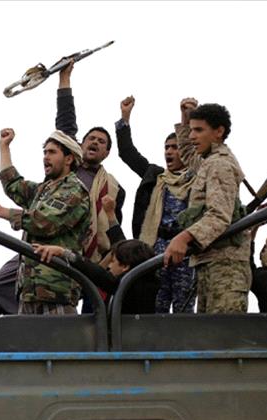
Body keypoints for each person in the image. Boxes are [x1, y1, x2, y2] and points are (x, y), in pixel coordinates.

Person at [0, 128, 90, 315]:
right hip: (29, 289)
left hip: (55, 292)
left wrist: (1, 211)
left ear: (69, 159)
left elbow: (45, 222)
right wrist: (4, 146)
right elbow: (13, 185)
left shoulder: (74, 190)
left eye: (52, 152)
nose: (46, 157)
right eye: (44, 152)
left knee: (59, 335)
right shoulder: (44, 190)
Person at [163, 98, 251, 314]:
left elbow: (219, 216)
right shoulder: (208, 161)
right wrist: (185, 118)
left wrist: (183, 238)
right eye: (191, 130)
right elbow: (188, 152)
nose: (192, 136)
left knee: (223, 332)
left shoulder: (219, 164)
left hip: (225, 268)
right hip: (210, 263)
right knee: (208, 331)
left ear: (218, 131)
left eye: (199, 130)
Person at [117, 95, 196, 313]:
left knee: (183, 309)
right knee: (154, 307)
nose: (169, 151)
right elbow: (127, 153)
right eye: (167, 147)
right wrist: (125, 118)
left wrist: (187, 117)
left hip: (186, 250)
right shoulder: (156, 176)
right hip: (156, 250)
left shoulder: (198, 178)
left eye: (175, 147)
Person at [56, 61, 125, 262]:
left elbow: (113, 228)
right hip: (47, 239)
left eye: (101, 142)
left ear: (107, 153)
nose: (95, 142)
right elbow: (65, 123)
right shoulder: (66, 165)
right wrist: (65, 79)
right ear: (80, 144)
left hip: (83, 256)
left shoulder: (114, 188)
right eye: (91, 138)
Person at [33, 232, 159, 314]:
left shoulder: (132, 287)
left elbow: (101, 276)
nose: (109, 266)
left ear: (125, 266)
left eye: (113, 262)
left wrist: (64, 253)